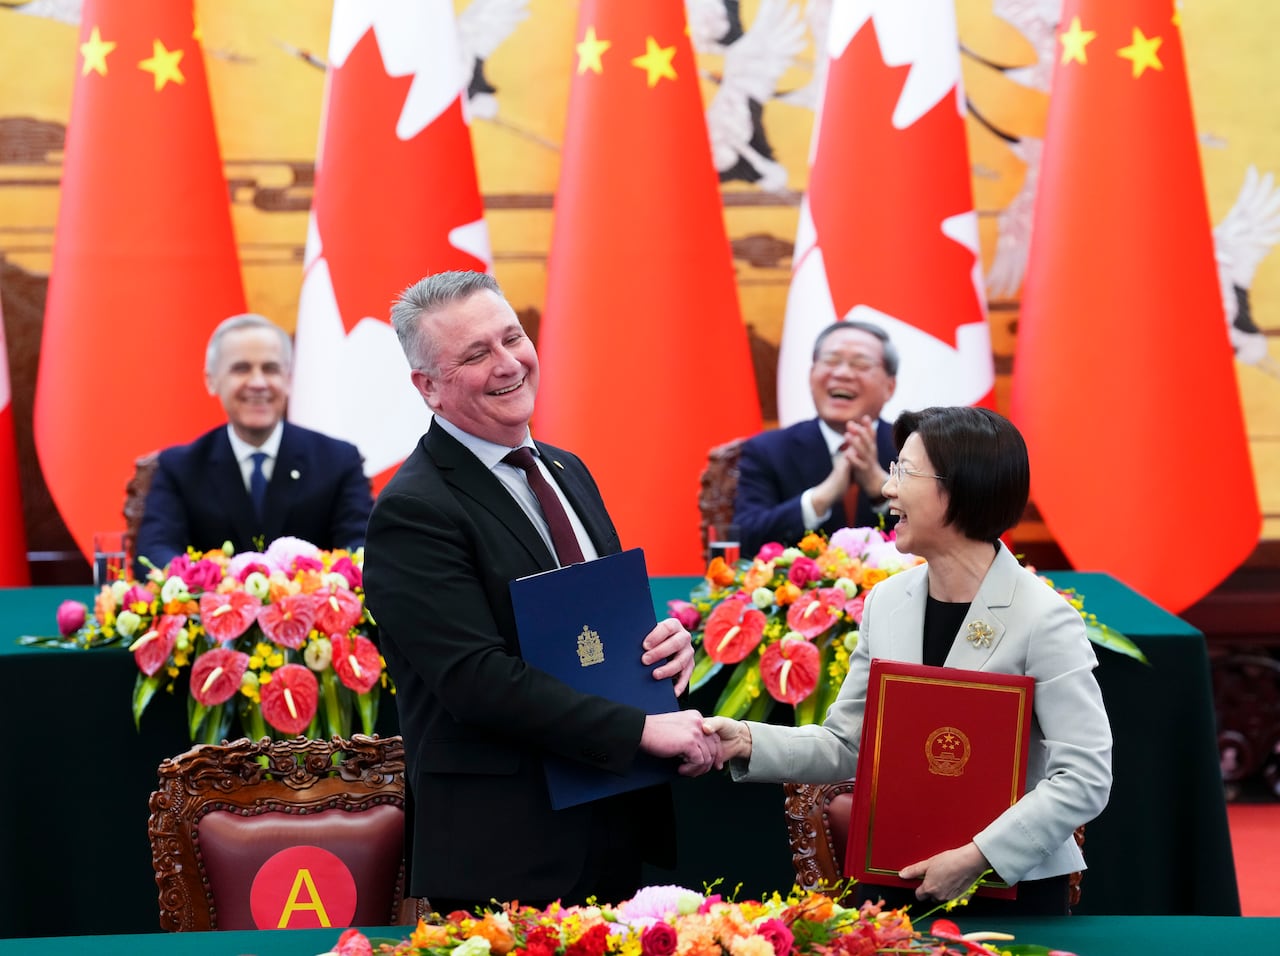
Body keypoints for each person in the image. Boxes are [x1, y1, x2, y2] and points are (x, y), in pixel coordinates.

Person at [362, 270, 717, 913]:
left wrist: (666, 654)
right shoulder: (412, 510)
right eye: (476, 354)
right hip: (508, 853)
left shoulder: (565, 469)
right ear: (428, 388)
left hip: (612, 822)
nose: (508, 364)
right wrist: (640, 727)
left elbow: (598, 632)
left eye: (513, 338)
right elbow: (476, 681)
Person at [706, 406, 1112, 917]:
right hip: (896, 880)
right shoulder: (888, 601)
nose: (889, 490)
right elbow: (848, 744)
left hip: (1011, 890)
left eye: (904, 471)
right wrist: (745, 739)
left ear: (962, 487)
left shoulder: (1043, 618)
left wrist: (976, 856)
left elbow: (1085, 776)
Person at [134, 313, 372, 568]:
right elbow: (155, 553)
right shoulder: (180, 468)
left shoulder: (337, 461)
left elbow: (360, 549)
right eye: (241, 369)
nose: (258, 383)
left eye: (270, 369)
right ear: (211, 380)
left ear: (289, 379)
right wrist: (211, 585)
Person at [733, 320, 898, 556]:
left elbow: (946, 535)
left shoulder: (914, 448)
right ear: (811, 376)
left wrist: (881, 489)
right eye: (830, 361)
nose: (842, 373)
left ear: (889, 387)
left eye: (860, 364)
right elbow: (744, 539)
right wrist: (819, 499)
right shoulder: (767, 450)